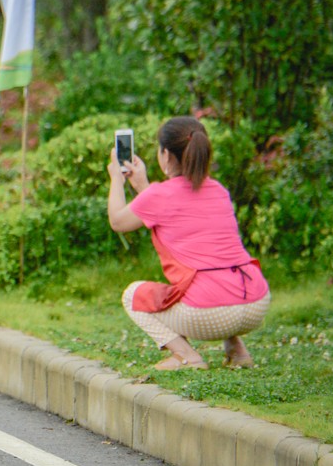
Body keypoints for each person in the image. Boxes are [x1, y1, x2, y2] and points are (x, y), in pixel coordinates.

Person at [107, 116, 270, 371]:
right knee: (217, 266)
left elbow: (118, 221)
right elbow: (172, 211)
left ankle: (187, 357)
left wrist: (117, 177)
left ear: (165, 154)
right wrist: (145, 188)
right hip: (256, 302)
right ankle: (237, 350)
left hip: (209, 312)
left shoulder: (158, 194)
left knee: (132, 295)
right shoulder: (218, 190)